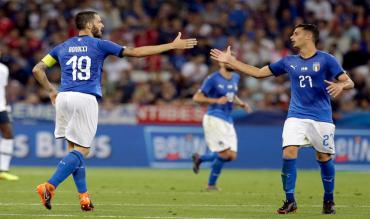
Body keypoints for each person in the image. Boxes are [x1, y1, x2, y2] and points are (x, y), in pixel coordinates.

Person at [32, 11, 197, 211]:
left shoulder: (62, 47)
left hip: (63, 98)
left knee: (74, 151)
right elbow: (136, 53)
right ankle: (49, 186)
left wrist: (51, 91)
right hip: (84, 98)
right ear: (90, 24)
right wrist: (171, 46)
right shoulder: (100, 45)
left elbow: (37, 69)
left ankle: (84, 197)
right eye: (99, 22)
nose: (102, 25)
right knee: (82, 150)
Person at [210, 24, 354, 214]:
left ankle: (329, 199)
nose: (292, 36)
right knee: (289, 153)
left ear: (308, 37)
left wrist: (341, 86)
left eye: (296, 33)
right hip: (296, 116)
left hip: (321, 118)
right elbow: (259, 73)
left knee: (324, 157)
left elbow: (349, 81)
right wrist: (232, 62)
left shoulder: (327, 60)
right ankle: (290, 200)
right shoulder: (288, 61)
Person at [192, 59, 252, 191]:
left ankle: (200, 158)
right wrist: (215, 100)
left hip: (228, 118)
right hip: (214, 117)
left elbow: (232, 95)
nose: (231, 62)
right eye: (227, 59)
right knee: (224, 154)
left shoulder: (236, 77)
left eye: (233, 59)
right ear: (220, 63)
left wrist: (241, 103)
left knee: (231, 155)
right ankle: (211, 185)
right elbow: (196, 98)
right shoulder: (212, 79)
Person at [0, 54, 18, 181]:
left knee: (8, 134)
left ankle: (3, 170)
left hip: (1, 107)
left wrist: (6, 105)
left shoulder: (3, 69)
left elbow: (4, 89)